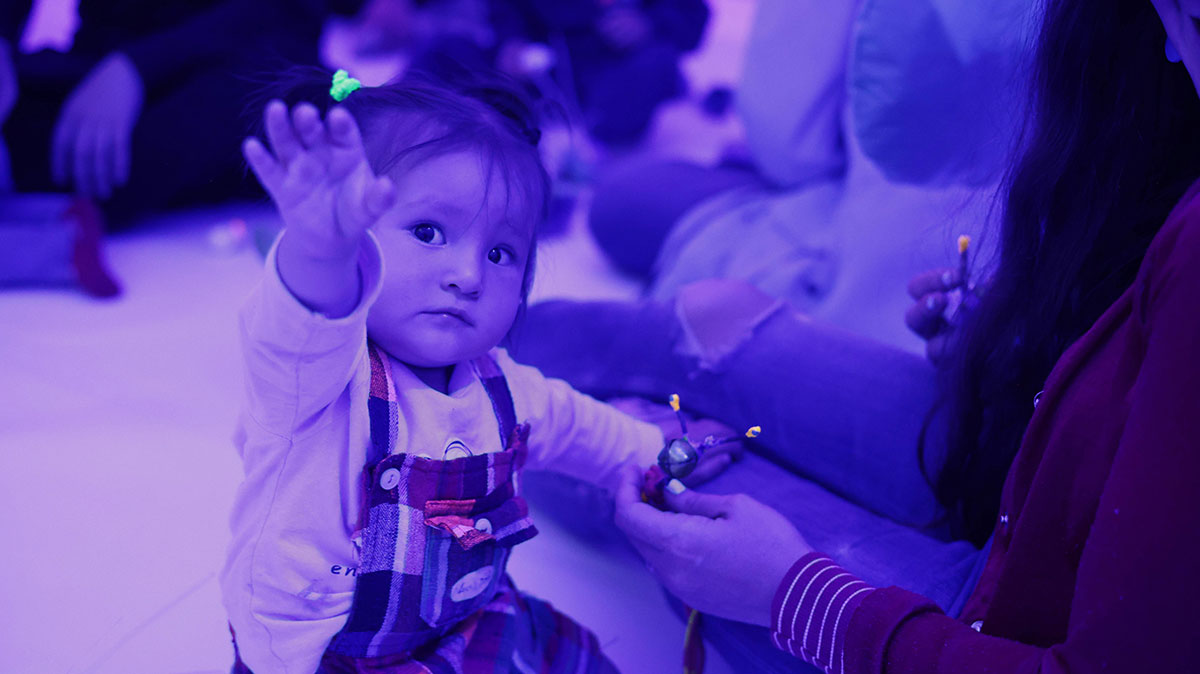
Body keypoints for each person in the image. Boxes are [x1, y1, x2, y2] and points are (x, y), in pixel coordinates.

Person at [590, 0, 1200, 671]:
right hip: (1018, 491)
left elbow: (795, 141)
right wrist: (1015, 357)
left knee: (647, 467)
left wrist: (796, 598)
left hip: (991, 621)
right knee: (705, 323)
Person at [220, 69, 735, 673]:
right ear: (354, 232)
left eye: (499, 253)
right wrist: (319, 250)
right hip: (318, 654)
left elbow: (580, 428)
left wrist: (659, 453)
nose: (468, 275)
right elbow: (307, 315)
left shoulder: (501, 389)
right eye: (428, 231)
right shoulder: (318, 376)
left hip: (461, 622)